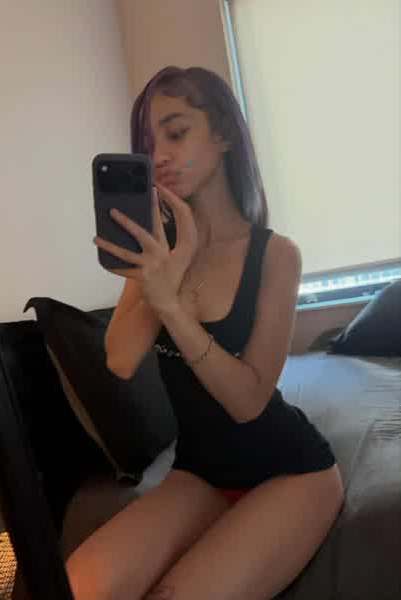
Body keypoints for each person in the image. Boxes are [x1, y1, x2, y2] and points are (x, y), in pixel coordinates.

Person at [66, 66, 344, 600]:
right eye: (149, 144)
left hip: (288, 470)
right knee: (77, 587)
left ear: (223, 136)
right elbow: (120, 359)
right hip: (199, 472)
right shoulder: (156, 251)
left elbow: (247, 401)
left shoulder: (275, 255)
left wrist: (171, 304)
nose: (159, 156)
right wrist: (171, 262)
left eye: (176, 133)